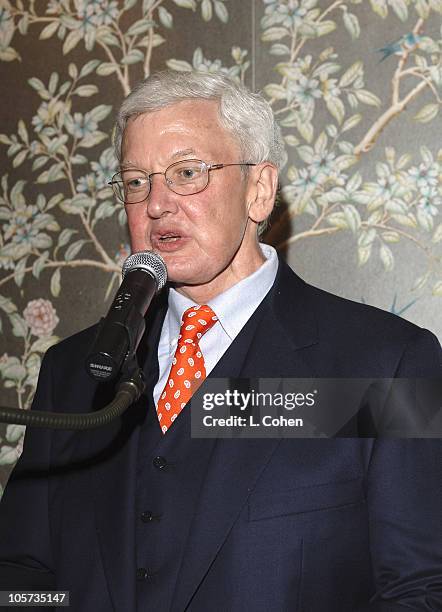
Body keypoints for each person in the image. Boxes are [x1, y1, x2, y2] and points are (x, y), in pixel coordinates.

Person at [0, 70, 441, 612]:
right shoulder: (73, 372)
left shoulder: (389, 365)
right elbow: (20, 576)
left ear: (258, 191)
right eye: (136, 181)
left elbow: (421, 590)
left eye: (186, 173)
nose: (155, 204)